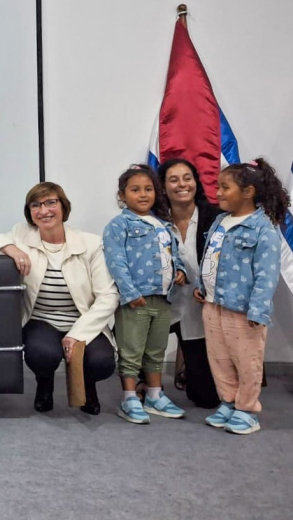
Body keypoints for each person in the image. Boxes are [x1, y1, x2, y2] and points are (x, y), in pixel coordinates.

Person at [0, 182, 118, 416]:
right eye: (36, 205)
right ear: (30, 212)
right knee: (43, 355)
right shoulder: (21, 234)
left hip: (82, 320)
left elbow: (108, 296)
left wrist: (77, 334)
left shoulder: (90, 243)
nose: (44, 210)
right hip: (41, 319)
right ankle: (44, 383)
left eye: (51, 202)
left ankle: (88, 386)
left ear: (63, 207)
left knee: (102, 362)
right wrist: (11, 248)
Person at [195, 159, 288, 435]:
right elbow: (210, 257)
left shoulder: (264, 227)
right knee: (219, 358)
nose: (218, 193)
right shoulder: (221, 221)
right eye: (217, 187)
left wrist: (258, 310)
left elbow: (266, 273)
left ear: (248, 191)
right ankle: (228, 401)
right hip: (213, 304)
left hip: (243, 310)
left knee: (246, 361)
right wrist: (202, 284)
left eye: (225, 187)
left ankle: (246, 409)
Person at [103, 164, 188, 424]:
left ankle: (154, 394)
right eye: (135, 190)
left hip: (163, 299)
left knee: (156, 350)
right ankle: (129, 397)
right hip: (135, 302)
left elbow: (174, 254)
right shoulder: (119, 225)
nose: (143, 195)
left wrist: (181, 270)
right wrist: (130, 293)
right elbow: (116, 261)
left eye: (148, 189)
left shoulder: (163, 225)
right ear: (122, 195)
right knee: (131, 351)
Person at [158, 158, 220, 408]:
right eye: (173, 179)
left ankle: (189, 374)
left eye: (187, 178)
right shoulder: (154, 221)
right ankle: (144, 383)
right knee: (131, 330)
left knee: (205, 398)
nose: (182, 184)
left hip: (200, 307)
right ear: (162, 187)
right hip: (163, 305)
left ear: (196, 182)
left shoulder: (215, 218)